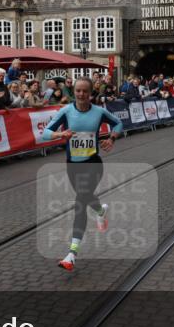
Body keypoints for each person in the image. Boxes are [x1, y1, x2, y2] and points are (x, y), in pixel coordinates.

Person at [41, 77, 124, 272]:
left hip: (94, 164)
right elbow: (45, 133)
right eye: (78, 91)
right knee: (86, 197)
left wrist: (111, 139)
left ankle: (72, 253)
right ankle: (101, 212)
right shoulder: (66, 111)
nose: (81, 94)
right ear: (74, 92)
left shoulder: (99, 112)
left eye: (85, 91)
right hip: (73, 166)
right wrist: (60, 135)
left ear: (90, 93)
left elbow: (118, 124)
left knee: (80, 201)